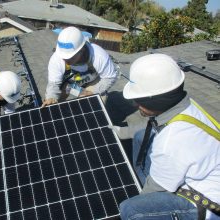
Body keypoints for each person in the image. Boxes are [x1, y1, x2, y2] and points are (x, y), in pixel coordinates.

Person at [117, 54, 220, 219]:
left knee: (130, 209)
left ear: (158, 100)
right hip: (203, 173)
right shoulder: (185, 105)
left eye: (138, 100)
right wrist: (121, 132)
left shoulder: (171, 141)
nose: (136, 105)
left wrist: (143, 204)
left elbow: (153, 190)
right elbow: (153, 126)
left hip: (209, 205)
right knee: (140, 137)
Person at [41, 26, 118, 107]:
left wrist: (94, 91)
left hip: (93, 82)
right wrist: (51, 97)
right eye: (64, 57)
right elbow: (54, 84)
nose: (66, 60)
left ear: (82, 50)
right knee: (53, 104)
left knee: (95, 105)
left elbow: (110, 77)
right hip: (70, 83)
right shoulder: (56, 59)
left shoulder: (98, 56)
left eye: (71, 57)